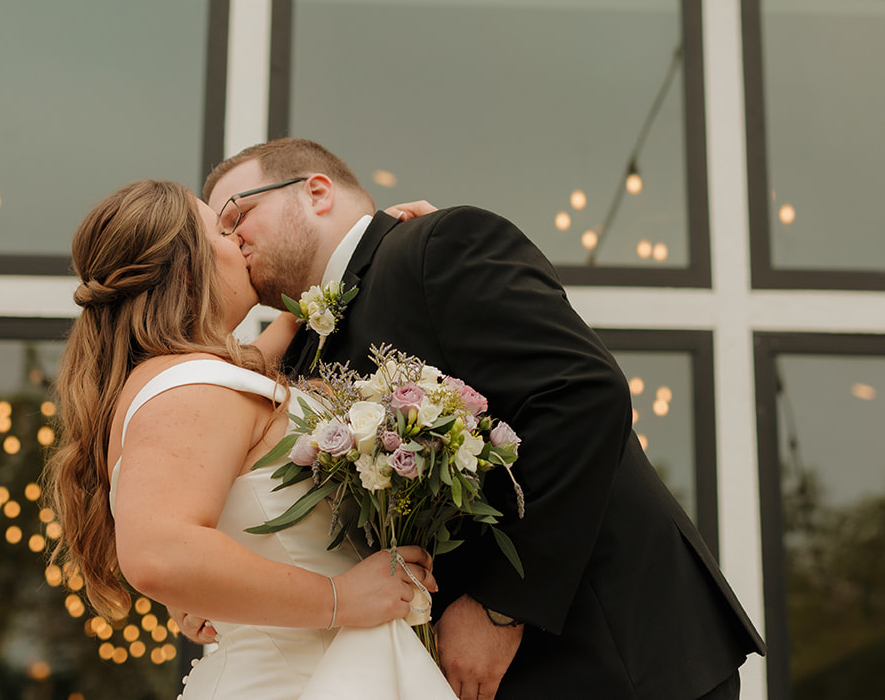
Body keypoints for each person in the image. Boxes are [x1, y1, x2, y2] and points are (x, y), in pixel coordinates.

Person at [203, 139, 764, 700]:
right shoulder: (304, 351)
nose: (233, 241)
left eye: (237, 216)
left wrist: (501, 606)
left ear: (316, 192)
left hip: (612, 654)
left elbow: (582, 393)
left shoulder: (437, 245)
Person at [46, 178, 458, 699]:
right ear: (190, 267)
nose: (237, 239)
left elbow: (259, 362)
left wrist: (366, 246)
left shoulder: (193, 381)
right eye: (220, 228)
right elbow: (159, 554)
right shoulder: (189, 387)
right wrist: (339, 598)